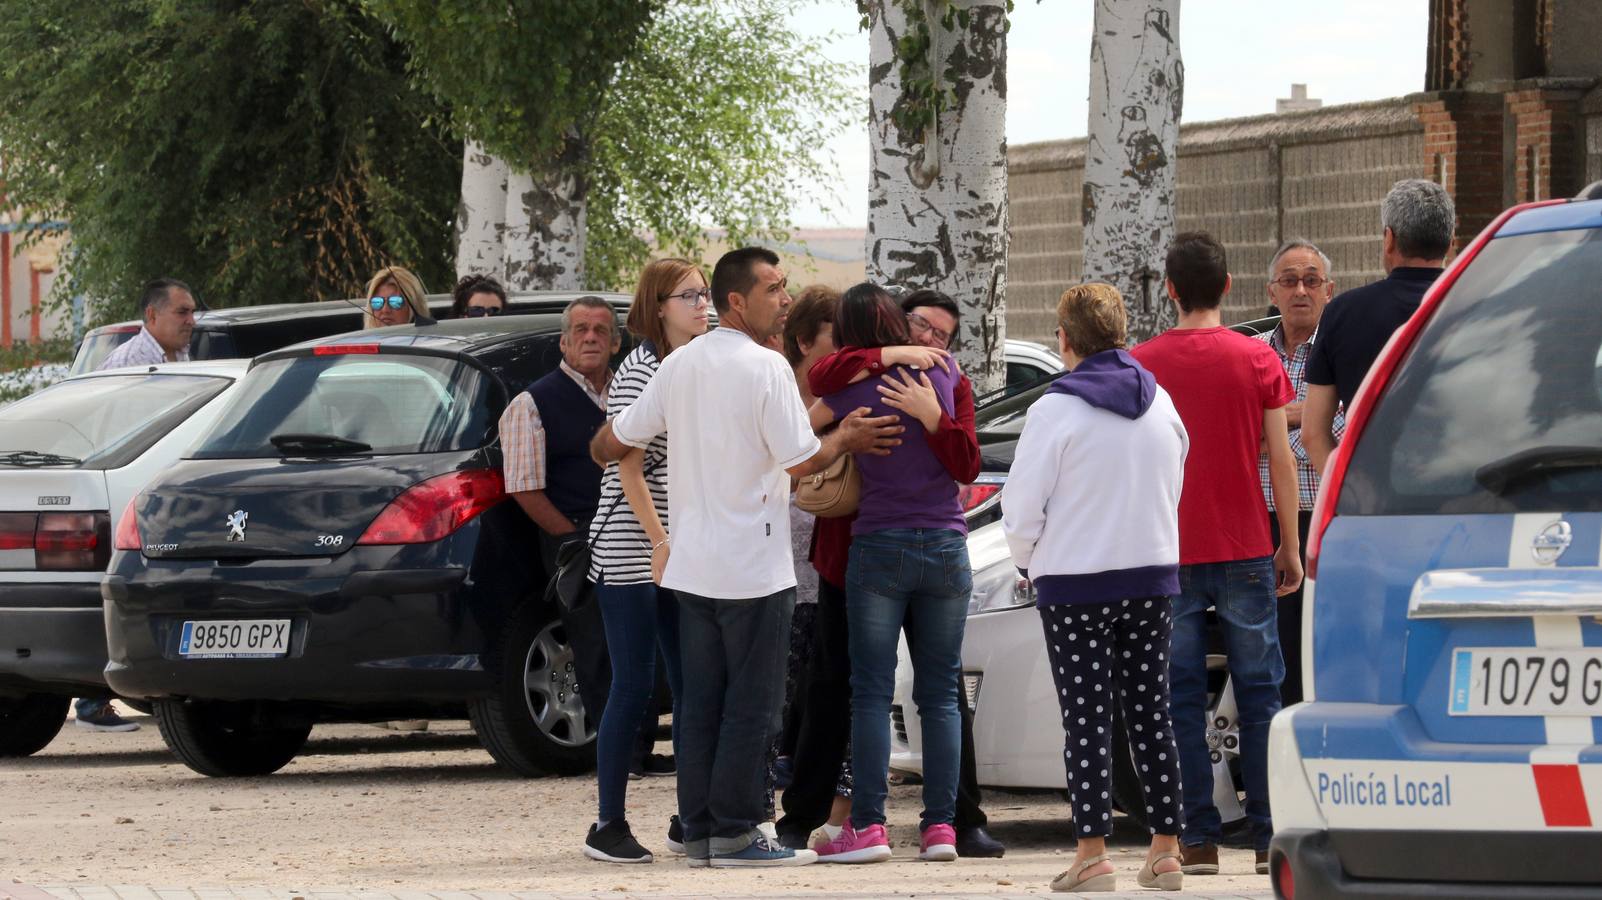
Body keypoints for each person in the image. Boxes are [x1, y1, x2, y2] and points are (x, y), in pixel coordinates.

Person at [590, 247, 901, 868]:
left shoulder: (677, 365)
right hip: (753, 567)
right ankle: (734, 834)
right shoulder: (766, 366)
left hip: (693, 566)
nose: (785, 299)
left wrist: (610, 439)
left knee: (701, 703)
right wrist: (845, 436)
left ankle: (702, 831)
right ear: (737, 300)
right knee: (752, 706)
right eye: (773, 288)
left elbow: (609, 444)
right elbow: (802, 460)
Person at [791, 287, 1004, 859]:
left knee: (870, 692)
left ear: (849, 333)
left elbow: (801, 433)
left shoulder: (851, 384)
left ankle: (869, 827)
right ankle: (941, 829)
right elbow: (968, 463)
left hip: (879, 545)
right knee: (940, 696)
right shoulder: (947, 374)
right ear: (896, 323)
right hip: (946, 546)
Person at [1002, 283, 1189, 893]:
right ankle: (1166, 850)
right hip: (1151, 576)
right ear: (1121, 332)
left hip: (1075, 584)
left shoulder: (1054, 410)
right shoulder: (1161, 401)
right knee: (1151, 714)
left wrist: (1028, 561)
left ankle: (1092, 853)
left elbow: (1022, 506)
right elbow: (1175, 481)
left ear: (1064, 339)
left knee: (1087, 721)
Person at [1129, 232, 1301, 876]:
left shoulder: (1142, 365)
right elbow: (1280, 459)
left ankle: (1195, 838)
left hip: (1166, 550)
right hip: (1245, 544)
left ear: (1170, 289)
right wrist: (1289, 542)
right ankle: (1267, 836)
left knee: (1175, 697)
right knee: (1260, 692)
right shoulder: (1256, 358)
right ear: (1228, 285)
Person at [580, 259, 709, 864]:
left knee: (690, 684)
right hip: (632, 545)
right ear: (659, 306)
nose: (703, 305)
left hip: (679, 545)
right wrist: (660, 542)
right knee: (633, 685)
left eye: (705, 294)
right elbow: (626, 464)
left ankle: (690, 817)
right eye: (690, 296)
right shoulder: (641, 370)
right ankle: (607, 825)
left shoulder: (694, 365)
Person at [499, 296, 620, 758]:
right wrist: (571, 540)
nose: (591, 338)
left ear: (615, 343)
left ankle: (640, 745)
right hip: (575, 539)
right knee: (594, 645)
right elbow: (524, 488)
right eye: (581, 330)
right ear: (564, 342)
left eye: (601, 331)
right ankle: (616, 754)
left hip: (638, 535)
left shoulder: (633, 393)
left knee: (637, 643)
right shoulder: (532, 403)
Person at [770, 285, 853, 834]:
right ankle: (762, 808)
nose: (846, 349)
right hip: (777, 571)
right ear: (804, 342)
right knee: (778, 701)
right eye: (835, 337)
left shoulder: (846, 395)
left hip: (826, 571)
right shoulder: (779, 396)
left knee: (826, 694)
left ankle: (826, 809)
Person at [1303, 179, 1454, 473]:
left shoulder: (1343, 313)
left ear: (1389, 239)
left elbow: (1313, 433)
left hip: (1373, 488)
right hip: (1464, 487)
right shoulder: (1478, 304)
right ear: (1450, 242)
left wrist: (1351, 489)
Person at [1254, 239, 1345, 706]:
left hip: (1325, 524)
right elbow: (1234, 433)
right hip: (1261, 526)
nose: (1301, 291)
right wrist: (1311, 420)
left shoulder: (1344, 350)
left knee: (1325, 653)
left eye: (1311, 280)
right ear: (1272, 291)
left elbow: (1345, 436)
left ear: (1329, 289)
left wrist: (1273, 427)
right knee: (1273, 659)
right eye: (1289, 281)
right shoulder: (1251, 353)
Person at [97, 278, 196, 370]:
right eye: (182, 312)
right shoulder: (128, 363)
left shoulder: (180, 353)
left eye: (192, 312)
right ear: (152, 315)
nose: (192, 321)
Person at [363, 265, 435, 328]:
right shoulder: (361, 339)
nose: (385, 310)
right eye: (377, 302)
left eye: (395, 302)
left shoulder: (432, 338)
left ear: (414, 307)